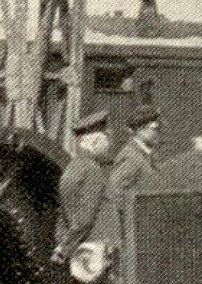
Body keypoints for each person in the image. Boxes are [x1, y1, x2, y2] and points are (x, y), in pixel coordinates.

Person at [51, 108, 112, 264]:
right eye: (106, 140)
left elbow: (63, 212)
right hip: (92, 250)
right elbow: (85, 218)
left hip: (77, 249)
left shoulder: (73, 166)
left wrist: (62, 243)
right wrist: (64, 249)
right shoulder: (92, 170)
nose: (109, 146)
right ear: (96, 142)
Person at [94, 105, 162, 244]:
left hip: (144, 228)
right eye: (154, 128)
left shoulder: (146, 155)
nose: (158, 132)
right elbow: (114, 194)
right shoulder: (131, 157)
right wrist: (128, 226)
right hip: (134, 232)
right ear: (140, 129)